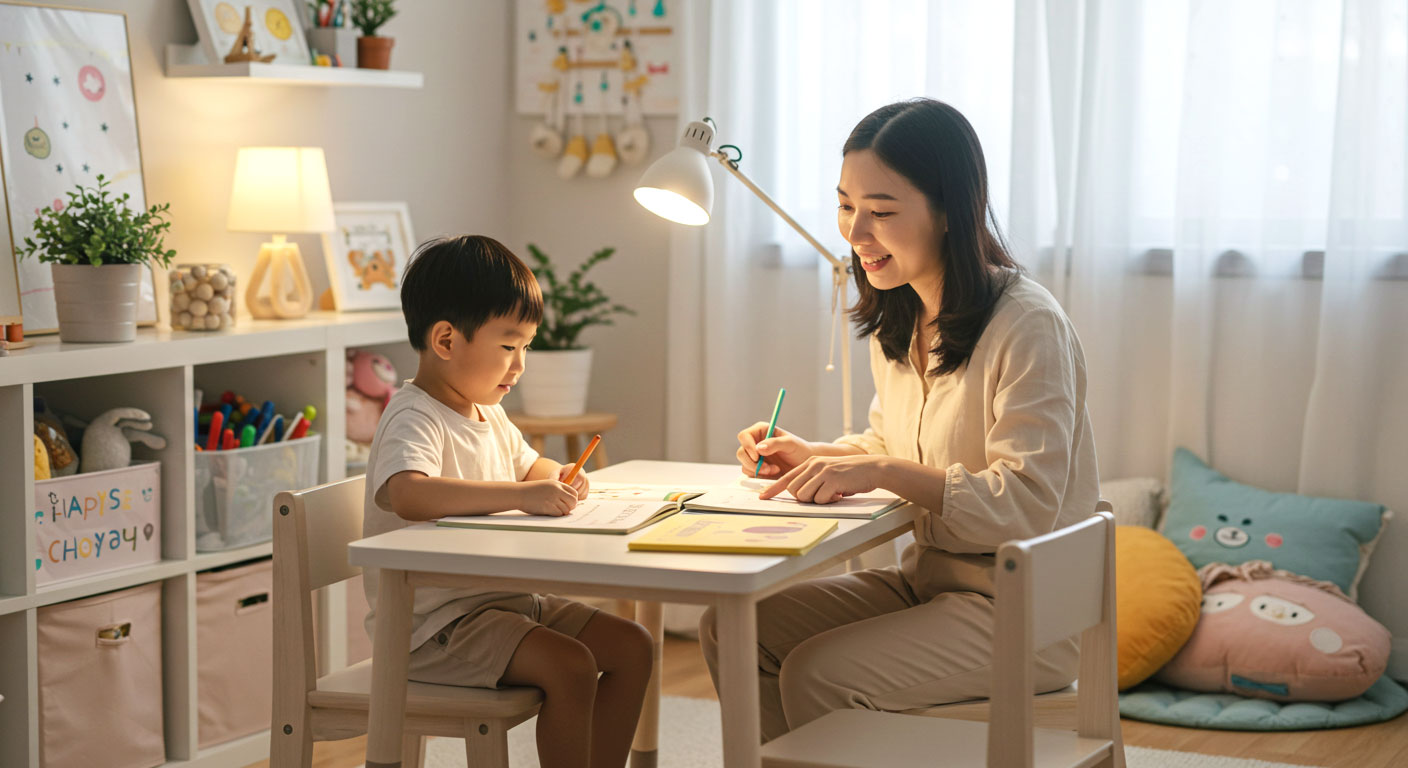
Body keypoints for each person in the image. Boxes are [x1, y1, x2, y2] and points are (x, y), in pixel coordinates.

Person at [699, 99, 1099, 741]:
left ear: (947, 213)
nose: (855, 235)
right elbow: (893, 443)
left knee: (817, 673)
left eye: (881, 213)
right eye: (845, 206)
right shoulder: (905, 315)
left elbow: (1025, 505)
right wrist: (816, 454)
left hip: (1027, 612)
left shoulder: (1028, 325)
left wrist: (880, 469)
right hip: (933, 583)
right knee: (735, 625)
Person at [363, 235, 652, 768]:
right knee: (569, 667)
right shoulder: (415, 415)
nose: (520, 366)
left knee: (632, 646)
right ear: (446, 340)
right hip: (435, 627)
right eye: (508, 346)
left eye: (527, 348)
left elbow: (526, 465)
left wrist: (557, 474)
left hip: (503, 604)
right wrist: (524, 495)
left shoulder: (485, 411)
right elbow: (407, 492)